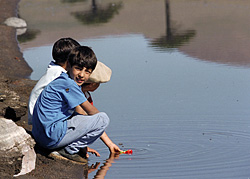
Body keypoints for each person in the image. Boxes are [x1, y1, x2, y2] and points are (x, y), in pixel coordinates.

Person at [32, 46, 121, 163]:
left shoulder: (62, 80)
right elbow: (92, 113)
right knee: (103, 119)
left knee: (79, 116)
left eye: (87, 72)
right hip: (49, 138)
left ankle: (66, 146)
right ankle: (69, 150)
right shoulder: (69, 84)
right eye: (78, 69)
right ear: (68, 65)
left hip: (41, 137)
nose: (82, 75)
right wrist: (105, 141)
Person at [28, 37, 80, 125]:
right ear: (69, 61)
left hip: (39, 117)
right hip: (43, 120)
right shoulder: (60, 76)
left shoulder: (53, 71)